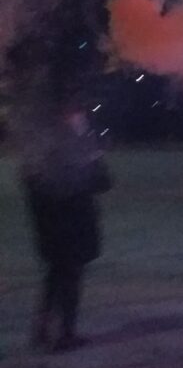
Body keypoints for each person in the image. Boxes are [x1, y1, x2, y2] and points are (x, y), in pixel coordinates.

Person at [22, 100, 112, 352]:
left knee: (55, 275)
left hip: (50, 225)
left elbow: (33, 186)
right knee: (69, 276)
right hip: (72, 223)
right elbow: (102, 181)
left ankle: (43, 330)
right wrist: (94, 156)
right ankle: (64, 333)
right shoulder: (74, 148)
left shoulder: (38, 153)